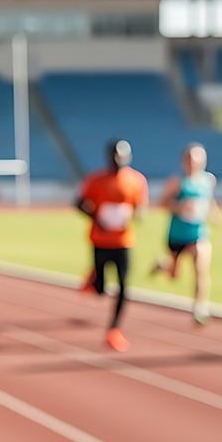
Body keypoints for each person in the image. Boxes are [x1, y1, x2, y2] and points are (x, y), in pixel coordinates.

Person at [75, 139, 149, 352]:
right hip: (100, 240)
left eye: (124, 155)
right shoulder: (96, 180)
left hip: (123, 242)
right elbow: (78, 202)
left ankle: (113, 330)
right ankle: (94, 279)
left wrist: (138, 213)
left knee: (124, 287)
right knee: (100, 290)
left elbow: (140, 205)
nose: (120, 159)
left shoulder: (137, 180)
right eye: (116, 155)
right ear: (109, 157)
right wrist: (97, 218)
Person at [152, 143, 222, 324]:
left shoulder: (208, 180)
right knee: (173, 276)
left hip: (198, 233)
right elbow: (161, 204)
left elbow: (209, 200)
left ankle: (199, 308)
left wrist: (214, 215)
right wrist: (179, 206)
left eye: (199, 160)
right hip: (177, 235)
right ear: (184, 161)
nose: (195, 164)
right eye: (191, 160)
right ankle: (163, 265)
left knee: (201, 269)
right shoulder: (176, 181)